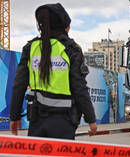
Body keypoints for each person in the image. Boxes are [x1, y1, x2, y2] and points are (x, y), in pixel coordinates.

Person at [9, 3, 97, 140]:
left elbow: (19, 85)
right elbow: (79, 87)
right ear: (65, 27)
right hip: (64, 122)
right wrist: (91, 119)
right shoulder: (71, 49)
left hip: (36, 121)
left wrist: (14, 117)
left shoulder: (30, 48)